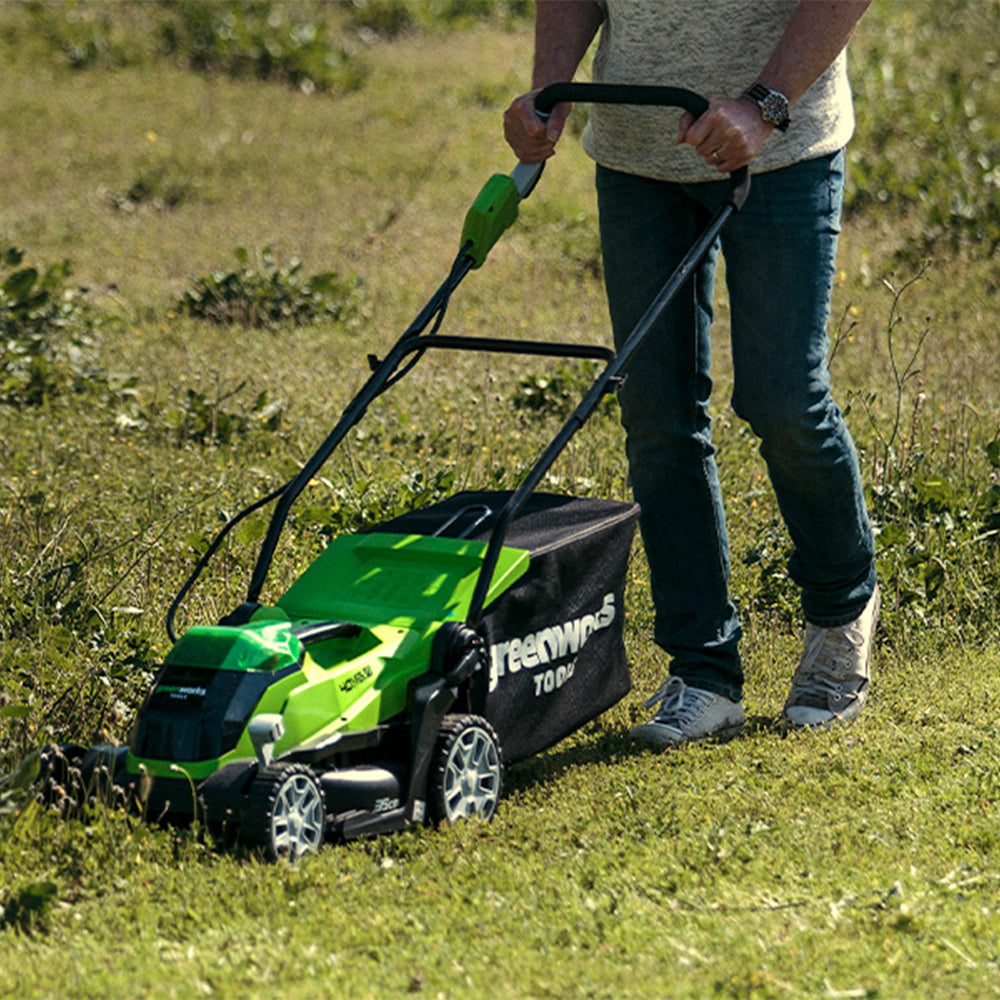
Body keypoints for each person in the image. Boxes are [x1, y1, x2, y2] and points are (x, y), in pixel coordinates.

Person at [504, 0, 879, 747]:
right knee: (657, 412)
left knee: (784, 398)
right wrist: (549, 88)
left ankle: (842, 613)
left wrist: (764, 105)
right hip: (636, 158)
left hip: (781, 149)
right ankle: (703, 671)